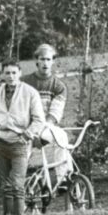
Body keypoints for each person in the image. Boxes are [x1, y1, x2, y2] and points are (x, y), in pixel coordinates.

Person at [0, 60, 45, 215]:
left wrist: (27, 134)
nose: (10, 76)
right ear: (2, 75)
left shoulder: (30, 92)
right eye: (7, 73)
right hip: (0, 141)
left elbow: (39, 119)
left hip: (19, 143)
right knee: (6, 185)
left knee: (17, 185)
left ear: (19, 73)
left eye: (14, 73)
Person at [22, 44, 71, 193]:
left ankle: (64, 179)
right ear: (36, 61)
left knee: (61, 136)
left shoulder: (59, 86)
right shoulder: (24, 82)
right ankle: (18, 189)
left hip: (46, 127)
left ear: (53, 61)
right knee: (21, 157)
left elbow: (55, 113)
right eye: (42, 59)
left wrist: (42, 128)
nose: (45, 63)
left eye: (48, 59)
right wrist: (31, 129)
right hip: (26, 126)